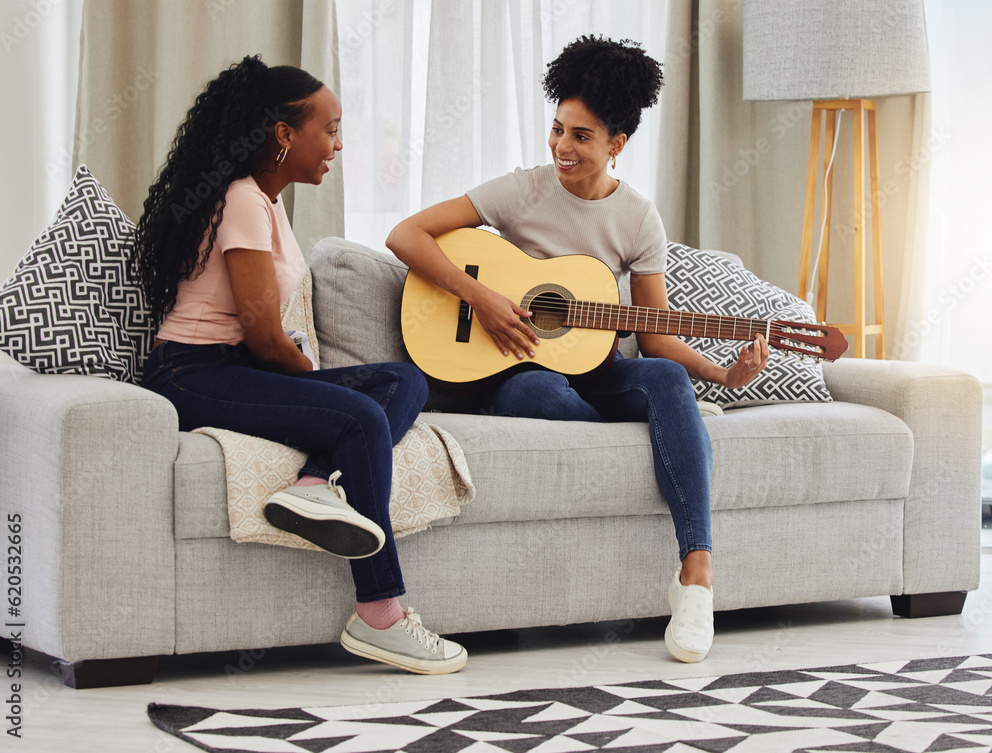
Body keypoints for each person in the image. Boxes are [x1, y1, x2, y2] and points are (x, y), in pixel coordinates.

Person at [387, 36, 768, 664]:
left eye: (582, 136)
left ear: (617, 143)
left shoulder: (640, 220)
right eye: (558, 129)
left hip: (598, 369)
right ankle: (660, 437)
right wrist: (479, 297)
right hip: (513, 372)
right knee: (540, 389)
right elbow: (406, 235)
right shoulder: (523, 190)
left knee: (668, 385)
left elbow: (657, 335)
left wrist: (725, 374)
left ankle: (695, 575)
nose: (563, 147)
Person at [132, 55, 466, 675]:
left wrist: (314, 384)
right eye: (330, 128)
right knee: (362, 418)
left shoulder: (265, 201)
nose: (338, 144)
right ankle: (381, 616)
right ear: (284, 134)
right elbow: (262, 336)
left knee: (404, 379)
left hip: (229, 366)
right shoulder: (241, 199)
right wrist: (317, 385)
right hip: (193, 373)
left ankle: (314, 485)